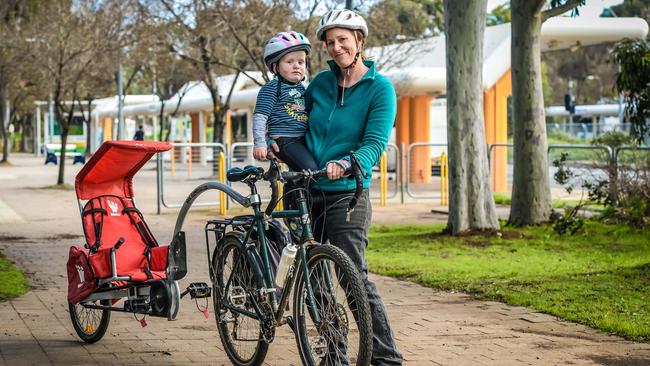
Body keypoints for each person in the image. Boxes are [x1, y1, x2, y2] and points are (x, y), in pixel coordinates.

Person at [305, 9, 404, 365]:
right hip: (306, 191)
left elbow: (375, 142)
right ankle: (334, 354)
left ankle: (386, 358)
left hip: (347, 192)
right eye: (330, 42)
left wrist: (347, 162)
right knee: (313, 279)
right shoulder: (318, 84)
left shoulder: (380, 89)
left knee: (353, 278)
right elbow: (296, 123)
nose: (336, 47)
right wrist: (274, 140)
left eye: (343, 39)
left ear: (359, 41)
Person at [252, 31, 318, 173]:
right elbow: (260, 117)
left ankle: (292, 195)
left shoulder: (303, 89)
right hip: (285, 141)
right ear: (275, 67)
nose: (297, 66)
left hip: (303, 139)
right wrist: (260, 143)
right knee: (312, 171)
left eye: (301, 62)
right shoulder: (272, 88)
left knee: (298, 177)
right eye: (290, 62)